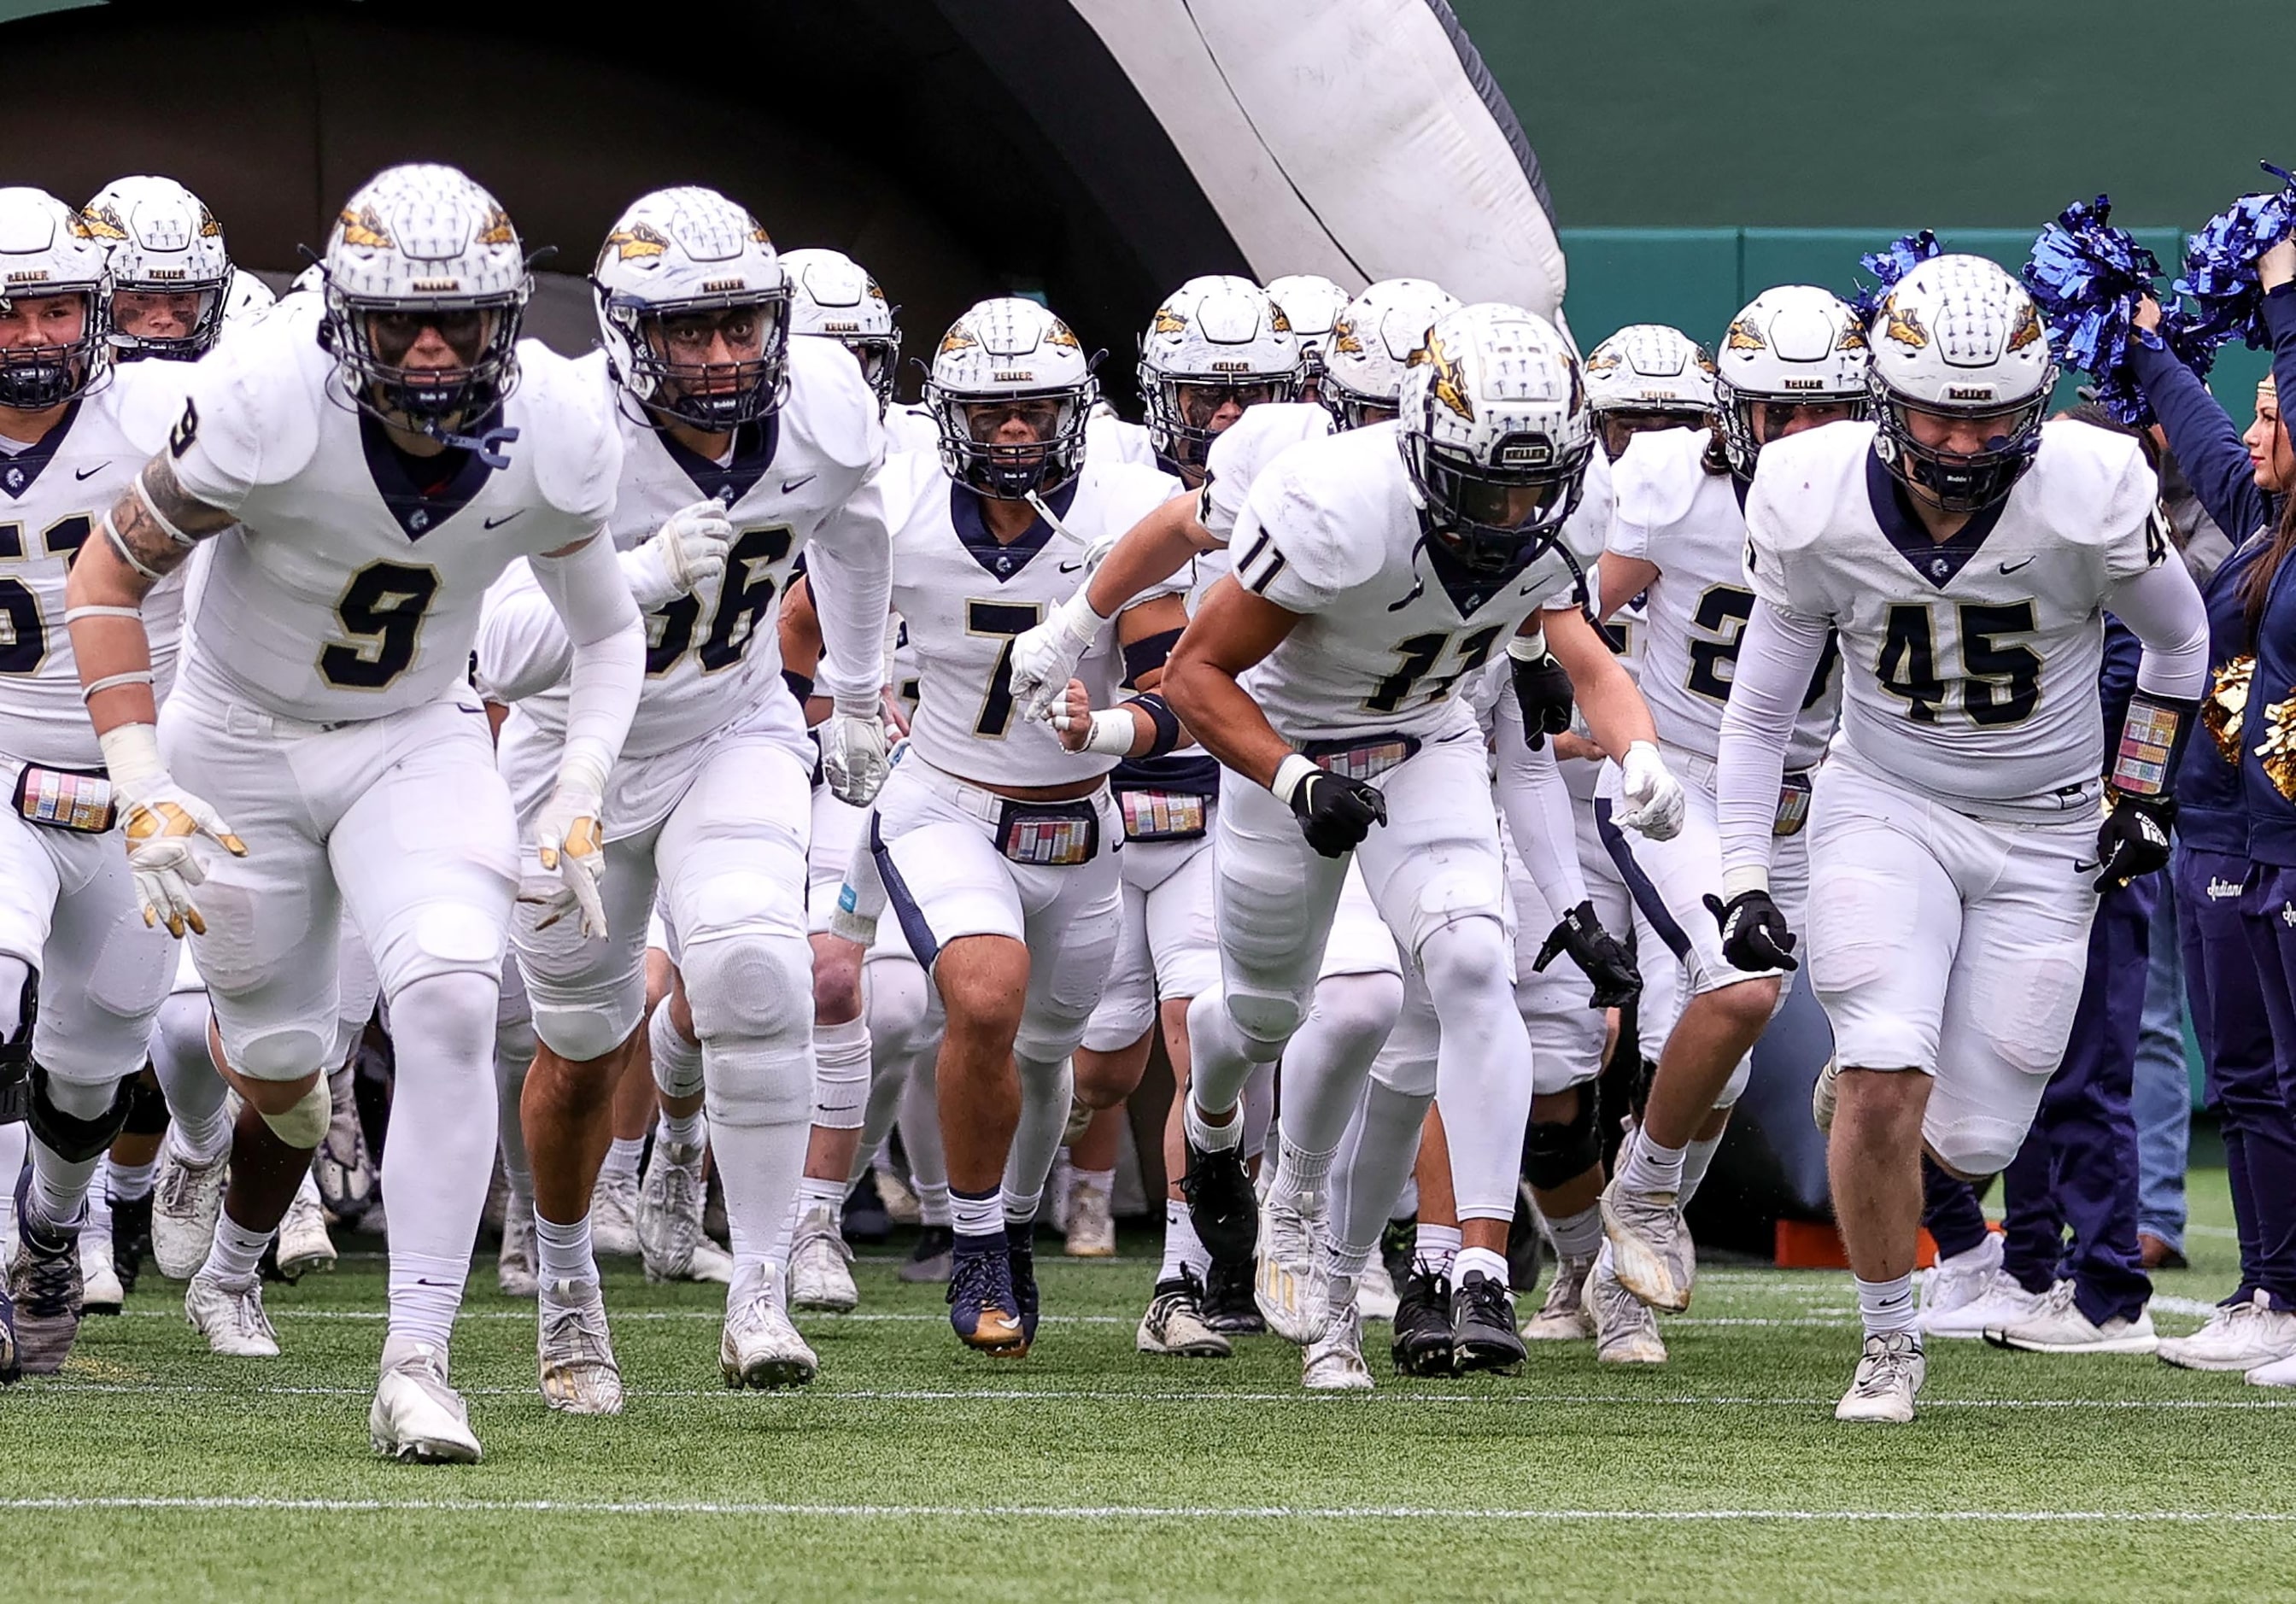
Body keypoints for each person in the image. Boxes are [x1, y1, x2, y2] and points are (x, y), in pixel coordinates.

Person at [62, 163, 645, 1460]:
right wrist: (143, 774)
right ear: (344, 320)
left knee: (446, 990)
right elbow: (106, 575)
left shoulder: (555, 420)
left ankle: (418, 1360)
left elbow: (608, 634)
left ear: (506, 317)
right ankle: (242, 1148)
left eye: (458, 324)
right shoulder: (269, 397)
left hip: (414, 735)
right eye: (398, 324)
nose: (431, 352)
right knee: (282, 1072)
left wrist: (583, 785)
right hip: (237, 741)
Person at [1712, 254, 2209, 1423]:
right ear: (1884, 396)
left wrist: (2140, 794)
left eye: (1991, 416)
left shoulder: (2088, 487)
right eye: (1940, 407)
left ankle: (1889, 1107)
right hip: (1887, 803)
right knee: (1888, 1064)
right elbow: (1763, 708)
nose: (1964, 441)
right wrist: (1741, 870)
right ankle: (1889, 1341)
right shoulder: (1809, 492)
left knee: (1979, 1131)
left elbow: (2179, 645)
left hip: (2046, 834)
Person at [1163, 301, 1683, 1374]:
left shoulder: (1568, 505)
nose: (1512, 508)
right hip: (1291, 742)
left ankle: (1475, 1264)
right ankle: (1221, 1128)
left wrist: (1639, 755)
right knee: (1266, 1017)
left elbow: (1583, 656)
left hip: (1425, 736)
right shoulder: (1334, 504)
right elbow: (1193, 676)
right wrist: (1295, 778)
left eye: (1534, 484)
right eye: (1488, 482)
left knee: (1472, 961)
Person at [476, 186, 889, 1408]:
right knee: (577, 1048)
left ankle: (757, 1289)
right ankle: (563, 1280)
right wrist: (637, 577)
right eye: (687, 334)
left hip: (732, 718)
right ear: (623, 332)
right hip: (571, 757)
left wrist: (857, 694)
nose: (721, 358)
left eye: (740, 328)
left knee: (761, 970)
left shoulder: (824, 402)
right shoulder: (560, 425)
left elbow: (855, 525)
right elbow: (498, 651)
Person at [870, 296, 1180, 1355]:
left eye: (1038, 408)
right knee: (985, 998)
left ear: (1074, 412)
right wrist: (844, 707)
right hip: (946, 801)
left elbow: (1172, 687)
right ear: (950, 415)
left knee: (1062, 1062)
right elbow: (810, 620)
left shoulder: (1120, 507)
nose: (1016, 429)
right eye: (994, 410)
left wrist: (1108, 732)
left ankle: (1009, 1223)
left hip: (1080, 825)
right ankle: (973, 1245)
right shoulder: (899, 502)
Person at [1592, 288, 1858, 1344]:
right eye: (1775, 413)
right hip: (1687, 783)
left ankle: (1614, 1266)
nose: (1796, 436)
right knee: (1736, 996)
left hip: (1818, 790)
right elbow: (1566, 612)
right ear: (1727, 410)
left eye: (1822, 412)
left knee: (1723, 1055)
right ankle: (1642, 1196)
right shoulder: (1668, 482)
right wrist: (1609, 730)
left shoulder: (1888, 498)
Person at [0, 187, 203, 1378]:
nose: (35, 336)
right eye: (10, 312)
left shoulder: (170, 412)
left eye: (58, 308)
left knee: (92, 1070)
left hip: (145, 789)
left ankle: (48, 1234)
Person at [2117, 253, 2296, 1377]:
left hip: (2286, 846)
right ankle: (2271, 1285)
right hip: (2227, 839)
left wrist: (2285, 304)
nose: (2258, 424)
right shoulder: (2258, 526)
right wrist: (2141, 342)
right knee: (2246, 1076)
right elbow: (2208, 435)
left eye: (2280, 406)